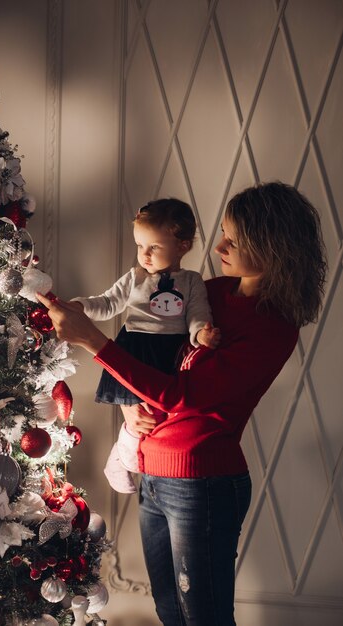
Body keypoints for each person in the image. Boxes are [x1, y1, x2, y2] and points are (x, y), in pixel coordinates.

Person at [37, 181, 327, 626]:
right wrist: (129, 406)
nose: (218, 245)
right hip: (154, 472)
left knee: (203, 618)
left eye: (234, 239)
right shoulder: (211, 292)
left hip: (202, 485)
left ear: (271, 247)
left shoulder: (272, 326)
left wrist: (91, 341)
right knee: (172, 613)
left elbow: (184, 395)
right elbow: (152, 359)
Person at [67, 198, 220, 494]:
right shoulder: (135, 277)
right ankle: (124, 459)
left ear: (183, 246)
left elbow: (198, 312)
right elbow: (108, 303)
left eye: (154, 247)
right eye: (140, 246)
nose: (144, 255)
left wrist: (201, 333)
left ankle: (123, 456)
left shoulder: (191, 281)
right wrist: (81, 307)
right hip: (134, 348)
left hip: (170, 351)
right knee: (141, 413)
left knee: (159, 414)